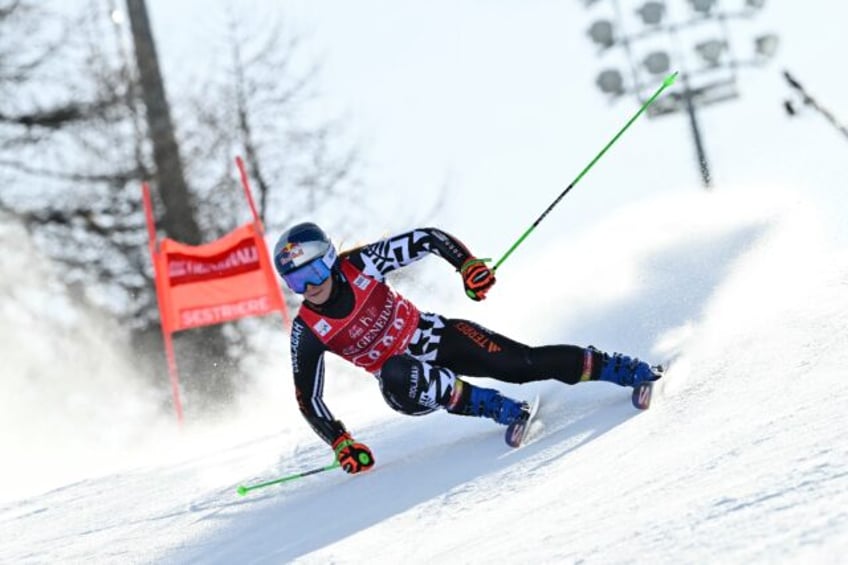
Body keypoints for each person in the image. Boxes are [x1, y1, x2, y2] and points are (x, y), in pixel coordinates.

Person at [274, 223, 661, 474]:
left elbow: (425, 238)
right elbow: (307, 398)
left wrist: (466, 266)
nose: (309, 288)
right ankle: (494, 406)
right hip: (404, 386)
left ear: (329, 260)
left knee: (520, 364)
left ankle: (618, 368)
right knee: (397, 369)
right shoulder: (307, 331)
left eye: (313, 273)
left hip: (432, 336)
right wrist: (340, 440)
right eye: (295, 282)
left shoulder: (360, 264)